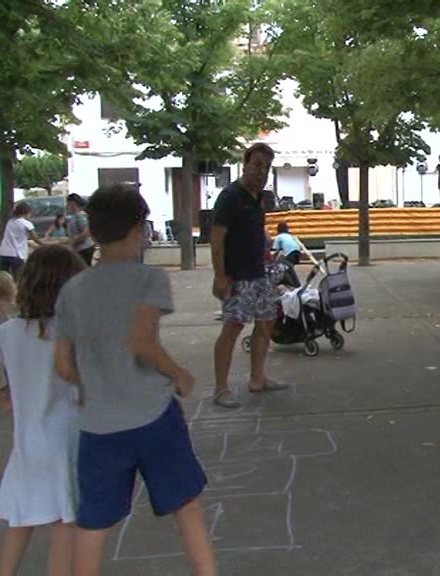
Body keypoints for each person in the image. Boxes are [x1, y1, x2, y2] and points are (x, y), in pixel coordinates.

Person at [52, 185, 216, 576]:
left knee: (93, 523)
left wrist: (95, 385)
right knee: (187, 505)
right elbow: (142, 342)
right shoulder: (148, 279)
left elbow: (62, 366)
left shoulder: (72, 289)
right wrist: (179, 374)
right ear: (139, 229)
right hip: (151, 416)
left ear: (92, 230)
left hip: (97, 425)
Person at [0, 245, 85, 576]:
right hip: (66, 437)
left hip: (27, 439)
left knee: (23, 516)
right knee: (67, 517)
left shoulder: (7, 333)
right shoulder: (70, 332)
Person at [211, 143, 290, 409]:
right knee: (232, 328)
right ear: (245, 163)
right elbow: (217, 238)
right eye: (257, 165)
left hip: (260, 273)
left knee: (266, 322)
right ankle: (221, 389)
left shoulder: (259, 198)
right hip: (237, 276)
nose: (261, 172)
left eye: (266, 167)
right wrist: (219, 276)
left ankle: (258, 378)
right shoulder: (230, 196)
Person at [0, 202, 45, 279]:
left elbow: (14, 237)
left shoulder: (10, 222)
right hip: (16, 255)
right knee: (18, 279)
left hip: (3, 253)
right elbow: (36, 239)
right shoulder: (27, 224)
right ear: (26, 212)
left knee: (3, 279)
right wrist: (45, 245)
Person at [66, 193, 96, 266]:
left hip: (84, 248)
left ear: (72, 203)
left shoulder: (80, 215)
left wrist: (73, 243)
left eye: (68, 203)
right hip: (81, 248)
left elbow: (86, 232)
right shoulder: (76, 215)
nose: (67, 206)